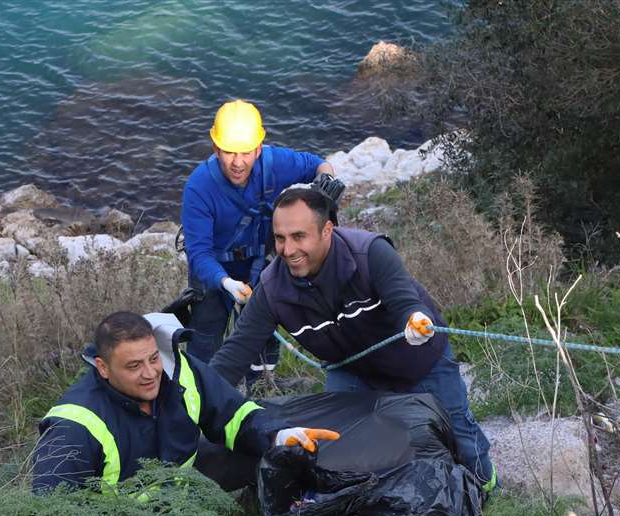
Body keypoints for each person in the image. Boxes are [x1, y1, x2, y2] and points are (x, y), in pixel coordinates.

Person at [210, 187, 496, 493]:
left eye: (298, 236)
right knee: (338, 443)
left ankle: (488, 490)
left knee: (460, 436)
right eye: (280, 238)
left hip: (420, 360)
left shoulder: (370, 253)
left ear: (327, 230)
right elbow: (234, 355)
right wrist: (194, 391)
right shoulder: (272, 289)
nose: (287, 249)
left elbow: (405, 303)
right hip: (351, 370)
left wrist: (415, 321)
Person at [32, 311, 339, 493]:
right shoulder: (73, 425)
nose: (150, 373)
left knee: (266, 455)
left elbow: (235, 413)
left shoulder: (178, 370)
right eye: (134, 366)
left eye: (153, 359)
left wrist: (279, 435)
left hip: (179, 499)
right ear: (102, 367)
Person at [180, 99, 345, 378]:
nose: (237, 162)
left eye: (245, 152)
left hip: (259, 264)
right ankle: (200, 394)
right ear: (216, 149)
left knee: (261, 333)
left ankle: (262, 385)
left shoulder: (275, 164)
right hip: (214, 273)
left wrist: (325, 182)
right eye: (229, 152)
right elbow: (199, 255)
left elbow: (319, 164)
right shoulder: (200, 187)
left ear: (258, 148)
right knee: (206, 339)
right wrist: (226, 283)